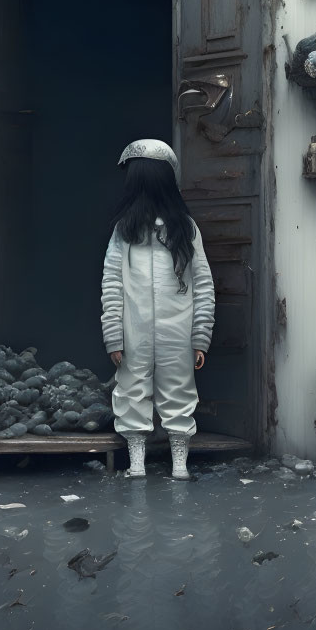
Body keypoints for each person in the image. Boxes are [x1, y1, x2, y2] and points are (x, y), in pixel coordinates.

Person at [101, 139, 215, 479]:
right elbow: (112, 284)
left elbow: (204, 284)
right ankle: (137, 459)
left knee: (178, 387)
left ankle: (180, 460)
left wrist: (200, 334)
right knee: (132, 388)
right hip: (134, 328)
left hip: (176, 330)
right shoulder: (124, 233)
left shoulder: (186, 230)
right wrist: (114, 336)